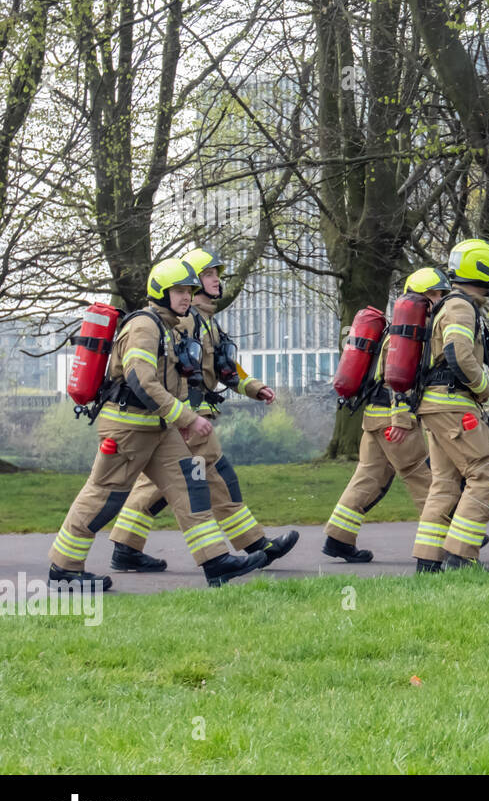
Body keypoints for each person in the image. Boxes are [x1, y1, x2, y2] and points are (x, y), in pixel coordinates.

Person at [48, 258, 268, 588]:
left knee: (190, 488)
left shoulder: (170, 326)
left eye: (189, 291)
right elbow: (142, 381)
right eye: (179, 291)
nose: (186, 297)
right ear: (160, 292)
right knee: (104, 497)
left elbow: (176, 381)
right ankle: (63, 569)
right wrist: (187, 418)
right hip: (128, 429)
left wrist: (187, 414)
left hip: (158, 428)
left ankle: (215, 561)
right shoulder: (144, 327)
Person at [107, 247, 298, 572]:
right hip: (188, 417)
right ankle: (255, 545)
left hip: (191, 416)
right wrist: (184, 417)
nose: (216, 281)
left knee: (159, 485)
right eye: (208, 275)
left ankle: (125, 547)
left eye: (216, 275)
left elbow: (224, 366)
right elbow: (171, 373)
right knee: (216, 479)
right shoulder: (185, 322)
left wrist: (253, 387)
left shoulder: (206, 321)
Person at [322, 267, 447, 563]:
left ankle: (338, 537)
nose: (439, 302)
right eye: (434, 296)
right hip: (394, 420)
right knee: (422, 475)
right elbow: (396, 381)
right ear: (420, 299)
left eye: (441, 295)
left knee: (367, 477)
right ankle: (446, 537)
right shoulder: (407, 338)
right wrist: (402, 421)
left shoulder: (394, 332)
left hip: (374, 419)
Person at [410, 240, 489, 572]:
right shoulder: (461, 306)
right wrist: (483, 387)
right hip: (453, 404)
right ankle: (461, 557)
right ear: (482, 270)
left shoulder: (447, 305)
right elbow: (458, 353)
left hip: (435, 406)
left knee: (445, 482)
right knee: (485, 472)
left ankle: (429, 559)